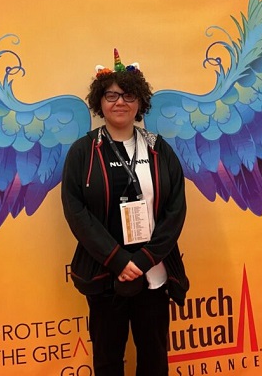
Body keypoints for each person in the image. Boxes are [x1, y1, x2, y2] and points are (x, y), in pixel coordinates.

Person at [61, 49, 189, 376]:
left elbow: (175, 210)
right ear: (99, 102)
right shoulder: (83, 152)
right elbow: (76, 211)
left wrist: (145, 259)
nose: (120, 102)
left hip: (153, 273)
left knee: (154, 357)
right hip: (105, 276)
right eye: (111, 95)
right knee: (107, 360)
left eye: (128, 95)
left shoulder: (159, 149)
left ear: (140, 102)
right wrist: (118, 259)